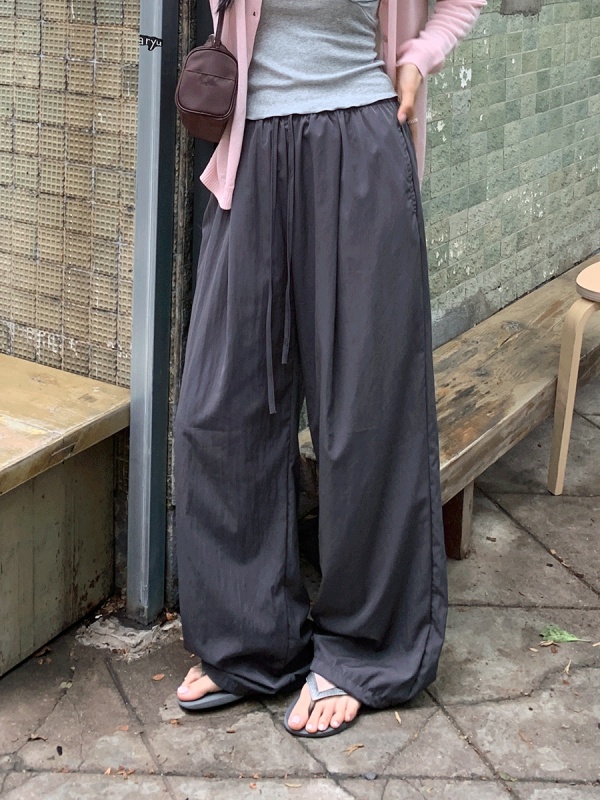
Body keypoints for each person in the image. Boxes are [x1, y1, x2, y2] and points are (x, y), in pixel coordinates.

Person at [174, 0, 486, 738]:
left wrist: (420, 57)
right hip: (251, 151)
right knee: (221, 408)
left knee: (367, 411)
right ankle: (249, 641)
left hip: (360, 143)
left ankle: (367, 649)